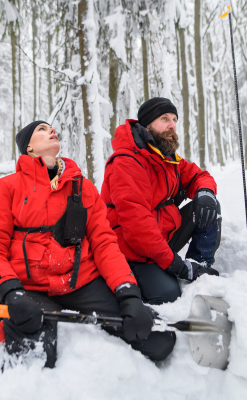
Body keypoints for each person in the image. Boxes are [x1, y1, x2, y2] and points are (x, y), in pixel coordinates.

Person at [0, 120, 176, 368]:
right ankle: (0, 305)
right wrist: (11, 292)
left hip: (80, 283)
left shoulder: (83, 187)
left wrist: (128, 293)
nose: (51, 130)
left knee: (158, 340)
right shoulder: (7, 188)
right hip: (28, 288)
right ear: (28, 148)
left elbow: (105, 244)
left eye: (51, 128)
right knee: (34, 362)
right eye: (41, 129)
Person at [101, 97, 221, 306]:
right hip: (129, 249)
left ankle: (198, 265)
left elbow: (198, 176)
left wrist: (205, 192)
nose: (172, 125)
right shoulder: (126, 162)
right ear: (147, 125)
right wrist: (176, 265)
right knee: (167, 295)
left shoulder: (166, 157)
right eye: (164, 119)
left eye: (174, 119)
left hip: (160, 237)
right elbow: (138, 228)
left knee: (208, 204)